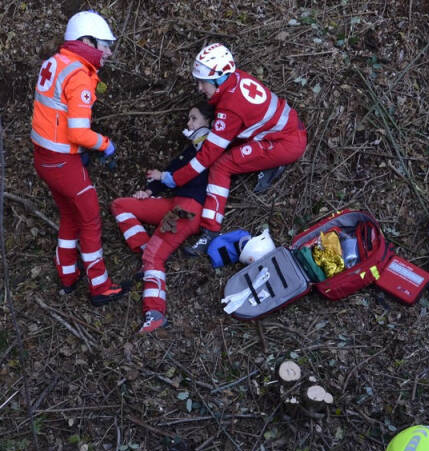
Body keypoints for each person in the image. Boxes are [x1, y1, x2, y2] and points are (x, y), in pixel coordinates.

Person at [154, 43, 308, 256]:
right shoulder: (237, 78)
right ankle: (272, 164)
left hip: (285, 143)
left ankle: (210, 230)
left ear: (218, 78)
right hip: (287, 130)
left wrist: (176, 178)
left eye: (202, 82)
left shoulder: (229, 108)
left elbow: (207, 156)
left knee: (221, 166)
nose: (199, 88)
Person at [31, 10, 129, 305]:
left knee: (70, 216)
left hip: (44, 158)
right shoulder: (79, 75)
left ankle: (67, 276)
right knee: (90, 219)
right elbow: (78, 132)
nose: (109, 52)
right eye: (104, 45)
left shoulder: (56, 62)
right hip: (63, 163)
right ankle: (99, 286)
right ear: (86, 41)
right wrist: (105, 144)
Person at [110, 102, 213, 333]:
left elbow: (182, 174)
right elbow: (169, 170)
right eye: (189, 118)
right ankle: (147, 250)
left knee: (154, 257)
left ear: (209, 123)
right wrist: (148, 192)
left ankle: (155, 313)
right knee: (121, 205)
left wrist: (165, 177)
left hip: (188, 209)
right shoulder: (190, 149)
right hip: (173, 203)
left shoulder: (212, 148)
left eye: (194, 118)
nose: (189, 123)